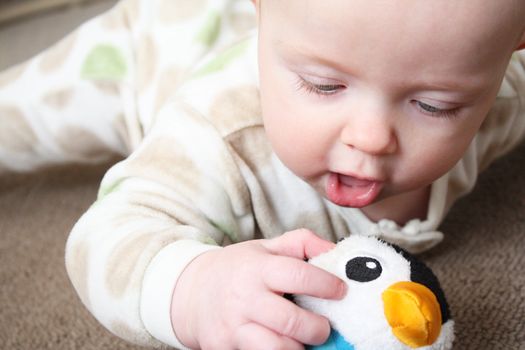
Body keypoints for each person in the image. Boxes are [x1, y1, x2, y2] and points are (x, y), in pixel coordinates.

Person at [0, 0, 524, 348]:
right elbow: (106, 233)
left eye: (433, 106)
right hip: (155, 46)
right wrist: (196, 286)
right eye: (323, 86)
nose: (369, 137)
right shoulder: (221, 139)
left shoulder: (501, 98)